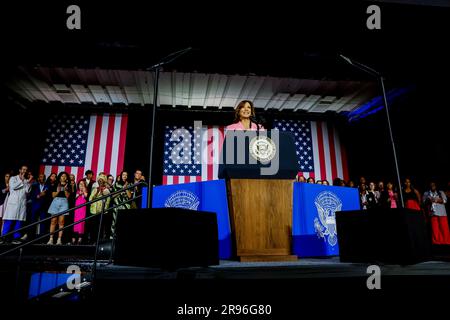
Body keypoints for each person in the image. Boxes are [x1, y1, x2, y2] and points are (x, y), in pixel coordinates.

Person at [1, 166, 32, 243]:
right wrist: (21, 181)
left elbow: (27, 191)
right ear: (20, 170)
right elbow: (14, 187)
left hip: (22, 204)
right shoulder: (13, 178)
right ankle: (3, 238)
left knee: (19, 221)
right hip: (13, 204)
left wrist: (28, 182)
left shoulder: (26, 180)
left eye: (26, 170)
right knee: (9, 221)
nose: (25, 171)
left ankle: (16, 238)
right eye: (23, 169)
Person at [47, 172, 71, 245]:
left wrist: (65, 189)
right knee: (53, 221)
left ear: (67, 178)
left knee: (61, 221)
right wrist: (58, 190)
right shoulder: (55, 184)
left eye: (65, 176)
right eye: (62, 176)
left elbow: (67, 196)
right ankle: (51, 239)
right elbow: (53, 196)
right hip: (56, 201)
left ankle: (59, 239)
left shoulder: (69, 185)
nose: (63, 177)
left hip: (64, 202)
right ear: (60, 177)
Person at [88, 173, 111, 243]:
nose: (100, 181)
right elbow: (90, 199)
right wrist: (97, 192)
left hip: (101, 211)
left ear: (104, 181)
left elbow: (108, 201)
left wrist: (105, 210)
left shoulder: (106, 190)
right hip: (93, 211)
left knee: (100, 227)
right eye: (99, 180)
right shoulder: (95, 189)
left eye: (102, 180)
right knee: (93, 227)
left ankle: (99, 242)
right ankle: (92, 241)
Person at [26, 173, 49, 240]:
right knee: (33, 221)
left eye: (43, 177)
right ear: (38, 178)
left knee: (43, 222)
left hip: (44, 207)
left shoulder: (47, 186)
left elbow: (49, 196)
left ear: (45, 178)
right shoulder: (34, 186)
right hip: (35, 206)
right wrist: (38, 196)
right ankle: (31, 237)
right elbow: (30, 195)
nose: (42, 178)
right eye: (40, 177)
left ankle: (42, 238)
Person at [110, 171, 132, 239]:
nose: (124, 176)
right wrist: (121, 190)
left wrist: (126, 188)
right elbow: (112, 196)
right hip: (116, 205)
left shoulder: (130, 184)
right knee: (114, 222)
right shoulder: (116, 184)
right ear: (121, 175)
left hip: (126, 206)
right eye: (123, 175)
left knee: (124, 223)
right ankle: (112, 238)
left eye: (126, 175)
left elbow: (129, 196)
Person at [72, 180, 88, 245]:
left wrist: (83, 191)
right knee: (75, 223)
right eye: (80, 184)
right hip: (77, 209)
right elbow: (75, 197)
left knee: (81, 223)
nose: (81, 185)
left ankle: (80, 238)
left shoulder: (86, 191)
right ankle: (73, 238)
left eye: (82, 184)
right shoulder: (77, 191)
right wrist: (79, 193)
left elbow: (86, 196)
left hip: (82, 209)